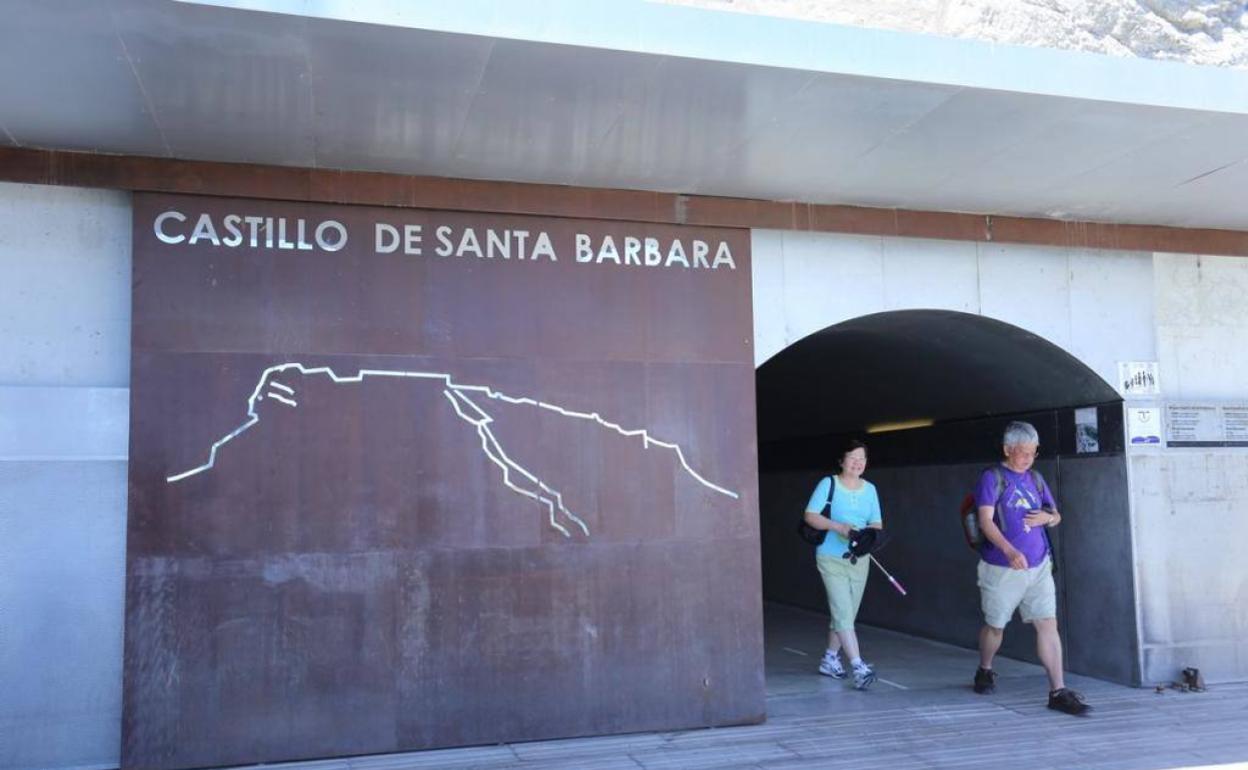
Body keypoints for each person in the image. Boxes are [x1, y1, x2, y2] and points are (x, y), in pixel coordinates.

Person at [972, 421, 1091, 716]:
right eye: (1022, 452)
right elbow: (985, 521)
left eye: (1033, 452)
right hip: (1001, 566)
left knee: (1047, 624)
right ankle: (985, 668)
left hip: (1039, 565)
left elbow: (1056, 514)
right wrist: (1009, 550)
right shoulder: (992, 478)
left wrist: (1047, 520)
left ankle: (1058, 691)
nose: (1028, 458)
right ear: (1007, 449)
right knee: (996, 626)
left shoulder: (1036, 479)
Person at [803, 438, 883, 690]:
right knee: (843, 612)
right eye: (852, 457)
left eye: (862, 458)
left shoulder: (870, 489)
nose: (858, 462)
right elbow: (811, 516)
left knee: (845, 614)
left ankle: (829, 659)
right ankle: (858, 666)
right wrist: (837, 527)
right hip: (830, 557)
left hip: (859, 559)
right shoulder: (828, 484)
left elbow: (877, 523)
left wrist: (864, 536)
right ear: (842, 460)